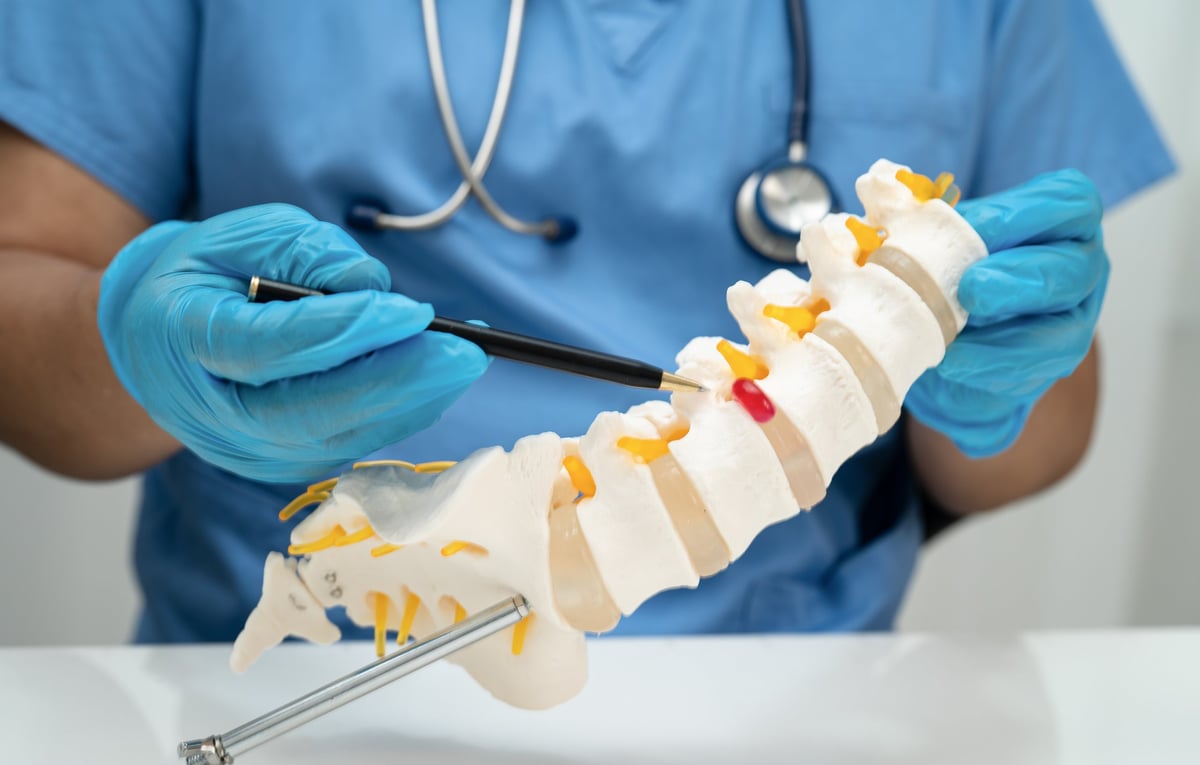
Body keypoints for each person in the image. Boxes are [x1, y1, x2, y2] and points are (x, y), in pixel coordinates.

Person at [0, 0, 1173, 643]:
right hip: (301, 682)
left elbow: (1039, 438)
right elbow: (25, 302)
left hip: (790, 710)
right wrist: (136, 341)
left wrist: (1003, 375)